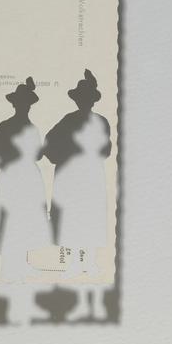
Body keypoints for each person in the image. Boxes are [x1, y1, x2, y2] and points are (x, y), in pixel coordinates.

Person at [43, 69, 112, 321]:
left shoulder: (100, 122)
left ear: (92, 100)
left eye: (87, 99)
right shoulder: (68, 120)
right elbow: (49, 143)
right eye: (81, 99)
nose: (84, 102)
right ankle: (73, 262)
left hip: (90, 175)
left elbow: (107, 149)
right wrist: (67, 153)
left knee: (90, 215)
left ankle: (89, 260)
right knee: (72, 217)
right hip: (72, 177)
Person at [0, 77, 52, 284]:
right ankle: (10, 265)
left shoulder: (29, 127)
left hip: (26, 176)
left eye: (27, 104)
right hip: (15, 175)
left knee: (25, 216)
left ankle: (21, 263)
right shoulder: (9, 126)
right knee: (12, 215)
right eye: (22, 103)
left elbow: (36, 155)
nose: (25, 107)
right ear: (16, 105)